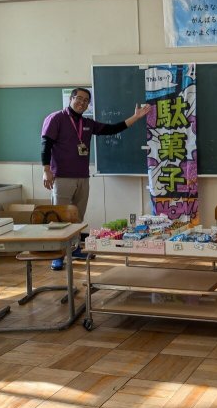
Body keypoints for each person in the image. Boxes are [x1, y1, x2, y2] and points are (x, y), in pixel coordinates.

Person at [42, 87, 151, 270]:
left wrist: (136, 117)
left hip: (82, 177)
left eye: (86, 101)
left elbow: (111, 129)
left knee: (77, 217)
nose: (82, 103)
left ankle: (75, 248)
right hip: (61, 177)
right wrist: (46, 170)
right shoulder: (56, 118)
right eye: (79, 98)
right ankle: (58, 255)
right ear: (71, 99)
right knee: (59, 219)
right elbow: (46, 144)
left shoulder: (87, 123)